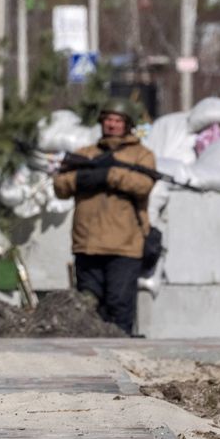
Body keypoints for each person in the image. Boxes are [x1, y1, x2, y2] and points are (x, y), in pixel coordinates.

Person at [52, 98, 156, 335]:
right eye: (108, 119)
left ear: (127, 124)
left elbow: (143, 184)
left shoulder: (141, 155)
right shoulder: (85, 154)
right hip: (87, 244)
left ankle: (121, 361)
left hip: (124, 246)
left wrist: (110, 175)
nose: (111, 125)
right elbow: (60, 185)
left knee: (119, 307)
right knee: (89, 309)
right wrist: (80, 179)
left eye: (118, 120)